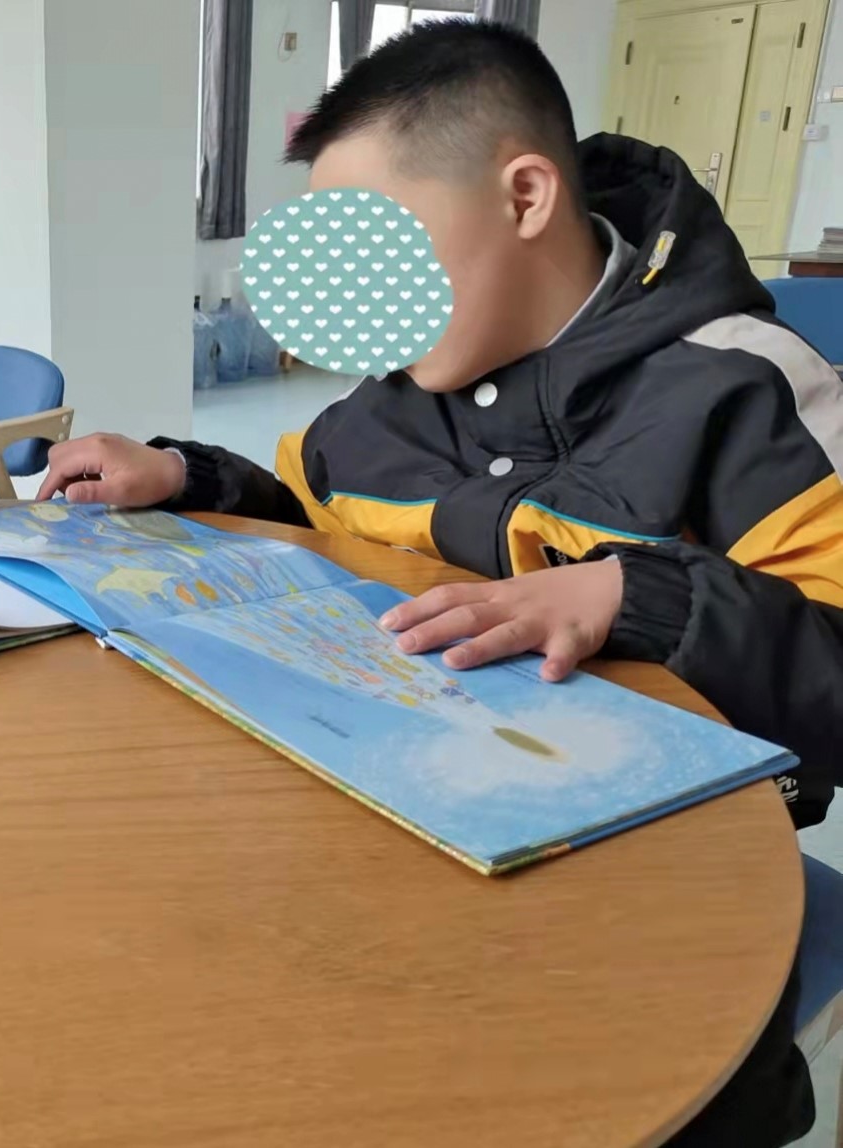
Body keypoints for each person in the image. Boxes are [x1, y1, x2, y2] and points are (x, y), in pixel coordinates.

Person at [41, 20, 838, 1146]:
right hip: (415, 834)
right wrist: (186, 473)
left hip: (669, 897)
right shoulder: (386, 405)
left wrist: (637, 595)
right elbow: (319, 524)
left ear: (526, 196)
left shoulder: (746, 392)